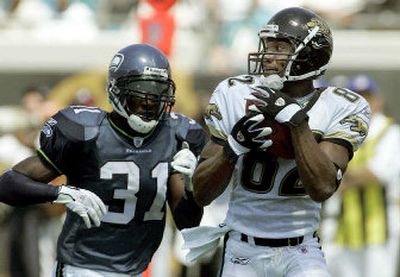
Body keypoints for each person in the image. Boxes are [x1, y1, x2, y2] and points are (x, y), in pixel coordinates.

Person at [181, 7, 371, 277]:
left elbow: (323, 186)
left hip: (302, 248)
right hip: (242, 249)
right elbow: (201, 193)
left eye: (280, 48)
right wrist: (231, 149)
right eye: (267, 46)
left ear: (310, 55)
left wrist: (297, 122)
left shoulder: (340, 105)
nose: (268, 55)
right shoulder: (235, 94)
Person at [0, 43, 207, 277]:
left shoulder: (179, 135)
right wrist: (62, 194)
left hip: (136, 270)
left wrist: (192, 186)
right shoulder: (84, 130)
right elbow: (7, 185)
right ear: (116, 91)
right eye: (141, 92)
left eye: (157, 93)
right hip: (82, 268)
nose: (150, 102)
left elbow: (188, 222)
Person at [323, 75, 400, 277]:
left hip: (379, 221)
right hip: (347, 221)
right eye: (358, 97)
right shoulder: (346, 131)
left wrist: (337, 178)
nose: (364, 103)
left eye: (367, 96)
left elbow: (375, 173)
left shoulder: (390, 130)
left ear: (378, 100)